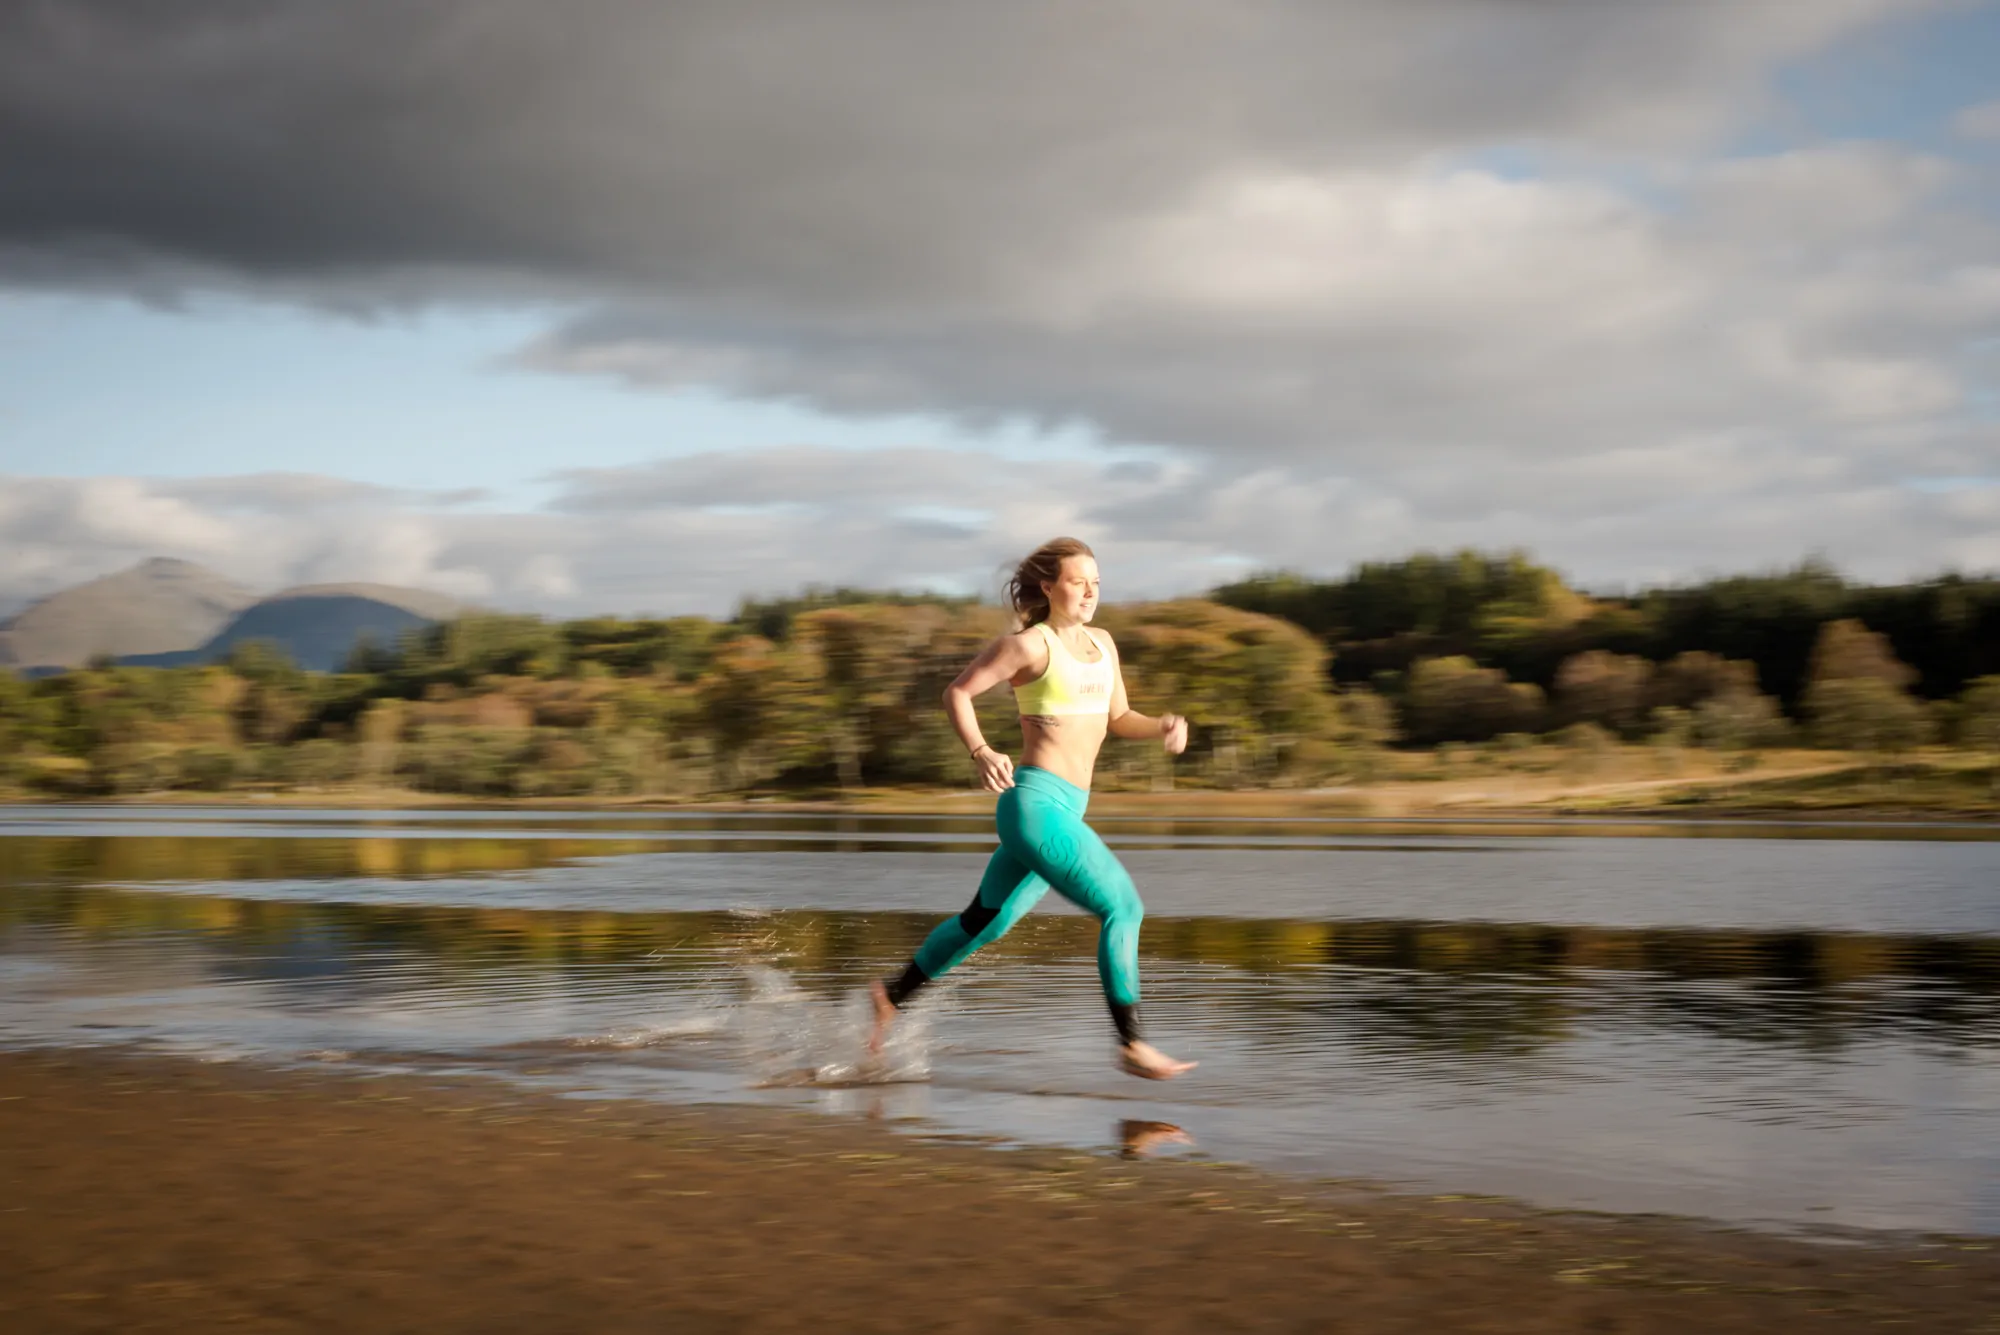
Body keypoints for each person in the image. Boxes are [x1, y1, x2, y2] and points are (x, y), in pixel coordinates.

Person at [869, 537, 1196, 1079]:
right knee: (1124, 908)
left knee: (985, 922)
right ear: (1049, 587)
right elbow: (958, 693)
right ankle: (1132, 1043)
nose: (1090, 591)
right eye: (1077, 581)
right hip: (1033, 806)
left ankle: (890, 996)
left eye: (1095, 582)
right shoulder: (1029, 646)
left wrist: (1160, 725)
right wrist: (981, 750)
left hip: (1067, 811)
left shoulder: (1103, 644)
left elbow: (1118, 717)